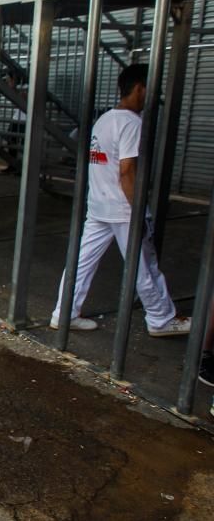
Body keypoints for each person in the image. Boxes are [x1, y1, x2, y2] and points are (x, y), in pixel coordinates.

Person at [50, 64, 191, 337]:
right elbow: (127, 171)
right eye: (153, 89)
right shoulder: (132, 124)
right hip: (124, 209)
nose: (155, 95)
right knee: (144, 267)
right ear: (139, 88)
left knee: (81, 262)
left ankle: (64, 313)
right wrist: (139, 210)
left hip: (99, 206)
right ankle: (161, 319)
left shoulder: (103, 120)